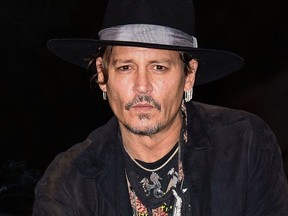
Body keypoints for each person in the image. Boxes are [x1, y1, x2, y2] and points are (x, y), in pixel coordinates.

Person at [32, 0, 288, 215]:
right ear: (102, 74)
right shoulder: (69, 182)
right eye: (125, 67)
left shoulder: (244, 144)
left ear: (189, 74)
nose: (142, 86)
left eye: (159, 67)